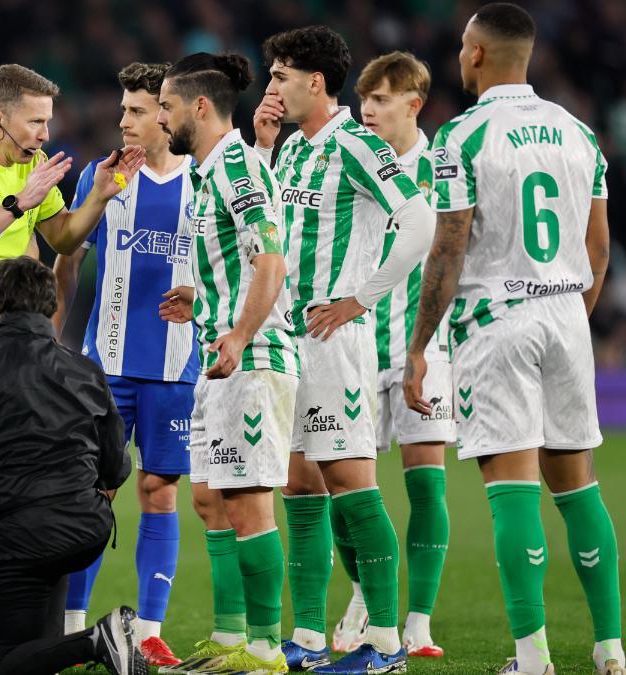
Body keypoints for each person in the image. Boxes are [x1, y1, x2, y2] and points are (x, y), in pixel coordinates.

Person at [405, 4, 625, 674]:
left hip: (496, 320)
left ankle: (533, 655)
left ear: (476, 53)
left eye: (462, 46)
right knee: (578, 483)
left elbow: (448, 247)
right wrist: (568, 313)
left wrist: (419, 347)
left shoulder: (460, 137)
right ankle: (610, 649)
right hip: (564, 314)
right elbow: (599, 247)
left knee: (511, 483)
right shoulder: (578, 132)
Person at [253, 25, 436, 673]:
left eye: (279, 76)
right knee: (301, 487)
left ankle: (386, 643)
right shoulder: (296, 150)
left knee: (353, 485)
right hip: (290, 339)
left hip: (335, 339)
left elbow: (417, 221)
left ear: (314, 82)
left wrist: (363, 295)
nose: (270, 85)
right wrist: (263, 144)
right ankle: (306, 635)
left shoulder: (355, 145)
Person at [0, 256, 145, 675]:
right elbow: (116, 467)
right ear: (49, 308)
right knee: (38, 652)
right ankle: (83, 642)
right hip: (82, 529)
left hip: (14, 536)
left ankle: (100, 638)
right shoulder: (85, 370)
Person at [152, 52, 298, 675]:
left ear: (199, 107)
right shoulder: (211, 173)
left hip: (252, 356)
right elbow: (240, 262)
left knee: (248, 501)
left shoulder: (237, 168)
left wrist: (238, 333)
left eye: (166, 107)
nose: (162, 119)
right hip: (221, 357)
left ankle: (266, 649)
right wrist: (202, 298)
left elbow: (270, 260)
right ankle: (233, 638)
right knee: (211, 499)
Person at [0, 63, 144, 427]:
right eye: (35, 122)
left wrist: (99, 196)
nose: (46, 134)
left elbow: (63, 238)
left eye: (47, 122)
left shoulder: (34, 164)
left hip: (5, 331)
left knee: (3, 451)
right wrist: (18, 204)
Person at [51, 62, 195, 668]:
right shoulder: (101, 174)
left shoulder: (204, 179)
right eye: (123, 109)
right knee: (91, 495)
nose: (123, 121)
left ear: (166, 114)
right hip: (103, 367)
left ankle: (148, 630)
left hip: (175, 367)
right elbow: (67, 255)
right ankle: (75, 628)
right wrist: (58, 338)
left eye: (136, 111)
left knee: (159, 492)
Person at [329, 51, 454, 658]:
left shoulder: (444, 168)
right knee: (339, 487)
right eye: (364, 99)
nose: (367, 110)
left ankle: (419, 623)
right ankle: (363, 595)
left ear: (414, 103)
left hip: (424, 348)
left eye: (380, 100)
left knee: (427, 485)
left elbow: (456, 258)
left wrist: (433, 342)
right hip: (350, 344)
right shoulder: (346, 155)